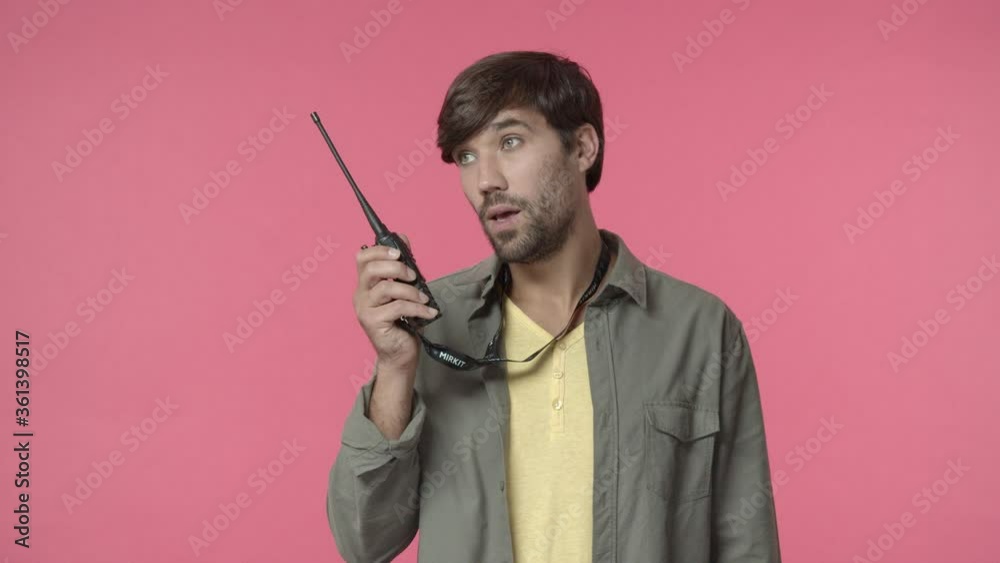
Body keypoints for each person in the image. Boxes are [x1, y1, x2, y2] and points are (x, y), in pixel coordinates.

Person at [327, 50, 782, 562]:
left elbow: (747, 543)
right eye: (466, 156)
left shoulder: (699, 328)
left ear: (582, 147)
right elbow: (365, 541)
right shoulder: (431, 326)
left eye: (510, 141)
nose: (485, 180)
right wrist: (394, 367)